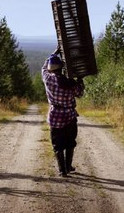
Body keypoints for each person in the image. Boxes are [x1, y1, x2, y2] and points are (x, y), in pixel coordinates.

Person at [41, 46, 85, 177]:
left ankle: (62, 170)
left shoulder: (47, 79)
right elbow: (80, 93)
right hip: (69, 116)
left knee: (57, 144)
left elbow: (44, 67)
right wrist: (80, 80)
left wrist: (54, 52)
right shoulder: (69, 83)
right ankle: (68, 166)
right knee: (70, 142)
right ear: (61, 68)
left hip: (55, 116)